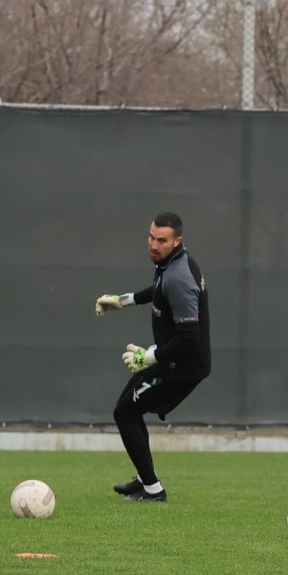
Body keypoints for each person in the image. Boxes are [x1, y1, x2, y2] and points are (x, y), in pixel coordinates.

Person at [94, 211, 210, 502]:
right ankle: (147, 481)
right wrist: (124, 300)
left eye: (162, 240)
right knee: (128, 409)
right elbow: (158, 290)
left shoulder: (179, 278)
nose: (154, 245)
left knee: (125, 412)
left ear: (177, 241)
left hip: (180, 366)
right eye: (151, 237)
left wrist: (151, 356)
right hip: (173, 360)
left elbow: (189, 337)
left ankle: (152, 489)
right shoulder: (171, 263)